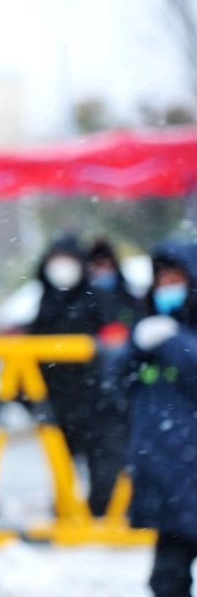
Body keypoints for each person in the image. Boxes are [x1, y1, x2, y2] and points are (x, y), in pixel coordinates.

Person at [113, 241, 197, 597]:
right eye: (161, 279)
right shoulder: (146, 334)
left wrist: (174, 343)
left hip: (187, 476)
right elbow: (116, 383)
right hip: (169, 485)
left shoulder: (173, 340)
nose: (167, 287)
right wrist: (136, 345)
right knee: (167, 579)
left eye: (175, 278)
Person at [28, 235, 118, 517]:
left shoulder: (96, 300)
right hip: (57, 398)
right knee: (60, 460)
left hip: (95, 399)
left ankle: (101, 512)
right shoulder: (45, 303)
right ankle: (67, 511)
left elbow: (113, 343)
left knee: (102, 464)